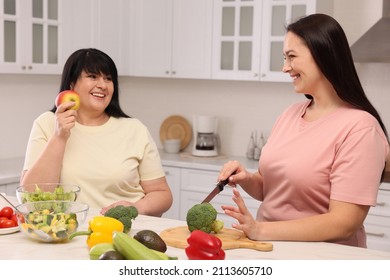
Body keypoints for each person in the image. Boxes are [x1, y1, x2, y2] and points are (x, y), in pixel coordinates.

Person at [218, 14, 389, 247]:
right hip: (270, 249)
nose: (285, 67)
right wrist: (247, 179)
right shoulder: (290, 114)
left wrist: (261, 230)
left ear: (323, 56)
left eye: (292, 57)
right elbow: (272, 190)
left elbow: (344, 222)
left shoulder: (360, 128)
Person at [20, 48, 173, 217]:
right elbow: (30, 199)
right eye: (93, 76)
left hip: (125, 231)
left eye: (108, 79)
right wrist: (60, 136)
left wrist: (135, 208)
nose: (102, 85)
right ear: (71, 83)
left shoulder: (135, 129)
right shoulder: (48, 123)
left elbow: (162, 194)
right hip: (68, 233)